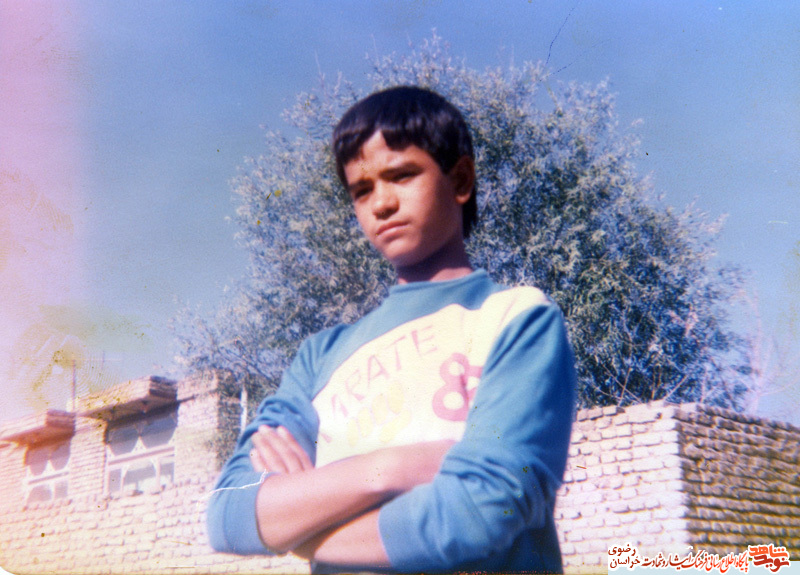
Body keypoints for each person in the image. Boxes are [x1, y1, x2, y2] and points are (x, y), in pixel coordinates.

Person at [206, 85, 576, 574]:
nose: (380, 204)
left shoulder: (516, 319)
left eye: (402, 176)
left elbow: (481, 510)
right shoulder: (320, 356)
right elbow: (230, 514)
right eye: (361, 190)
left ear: (460, 179)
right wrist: (394, 469)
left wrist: (297, 528)